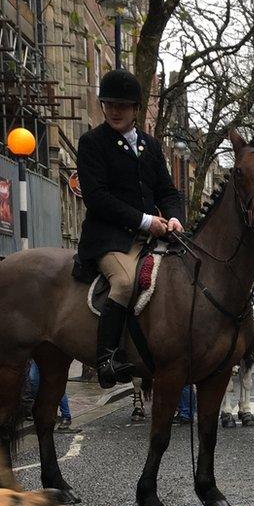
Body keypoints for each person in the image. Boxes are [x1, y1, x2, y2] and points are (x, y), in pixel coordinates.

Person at [77, 69, 185, 388]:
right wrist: (146, 220)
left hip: (149, 237)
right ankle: (107, 358)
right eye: (109, 104)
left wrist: (175, 216)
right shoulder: (92, 142)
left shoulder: (150, 147)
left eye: (121, 105)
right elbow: (96, 198)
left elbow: (166, 190)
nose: (114, 111)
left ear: (135, 109)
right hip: (109, 238)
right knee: (124, 283)